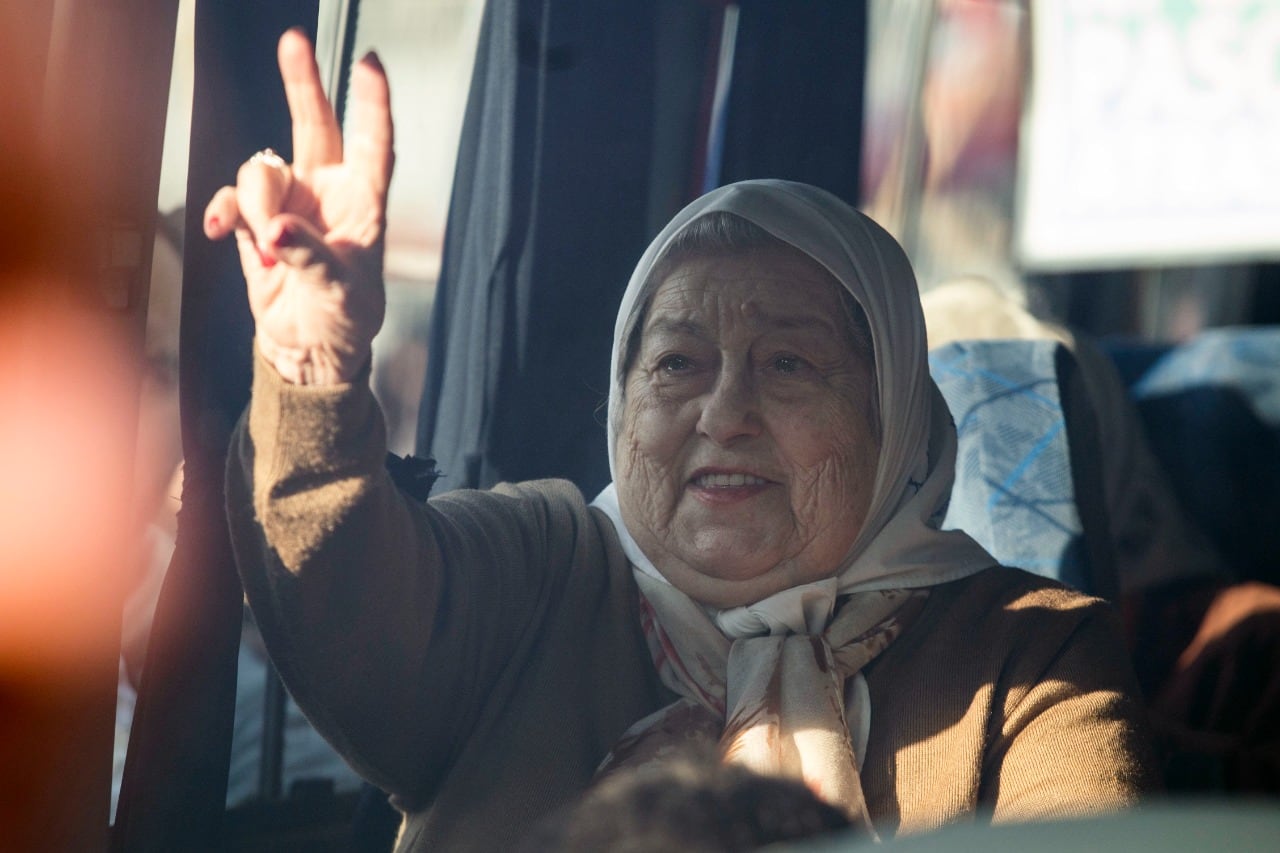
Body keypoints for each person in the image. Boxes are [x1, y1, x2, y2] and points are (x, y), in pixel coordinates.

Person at [208, 30, 1157, 852]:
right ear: (621, 404)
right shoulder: (543, 568)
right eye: (675, 363)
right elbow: (342, 600)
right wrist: (314, 369)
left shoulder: (1027, 653)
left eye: (788, 363)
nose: (723, 412)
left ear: (894, 415)